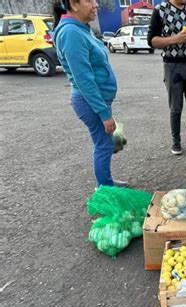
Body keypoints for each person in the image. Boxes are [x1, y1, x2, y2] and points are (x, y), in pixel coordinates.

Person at [52, 0, 128, 188]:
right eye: (89, 0)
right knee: (103, 146)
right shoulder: (71, 33)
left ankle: (106, 183)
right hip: (90, 102)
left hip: (97, 101)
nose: (95, 5)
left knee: (106, 143)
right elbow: (83, 80)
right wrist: (104, 114)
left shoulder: (80, 29)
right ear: (74, 4)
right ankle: (105, 190)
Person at [147, 0, 186, 156]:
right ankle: (176, 142)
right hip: (172, 66)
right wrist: (175, 39)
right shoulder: (160, 10)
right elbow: (152, 40)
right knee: (176, 108)